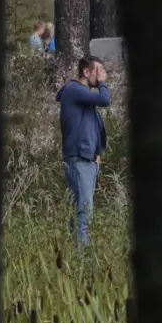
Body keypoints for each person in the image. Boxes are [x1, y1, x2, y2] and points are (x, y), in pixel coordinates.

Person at [57, 55, 109, 247]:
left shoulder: (82, 94)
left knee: (80, 212)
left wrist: (97, 156)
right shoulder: (74, 90)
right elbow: (105, 100)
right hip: (79, 160)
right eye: (98, 71)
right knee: (84, 214)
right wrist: (102, 83)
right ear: (86, 72)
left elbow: (91, 127)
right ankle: (83, 264)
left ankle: (73, 258)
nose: (103, 75)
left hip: (87, 161)